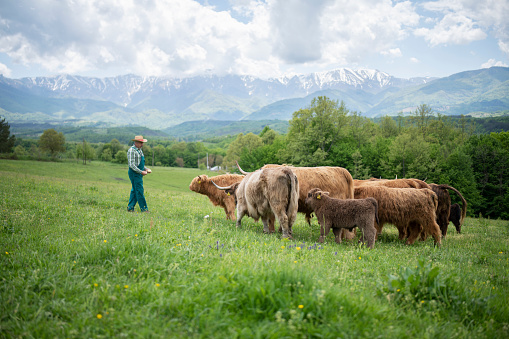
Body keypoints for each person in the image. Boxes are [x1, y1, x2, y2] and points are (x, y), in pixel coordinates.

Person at [127, 135, 152, 212]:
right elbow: (132, 165)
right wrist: (141, 171)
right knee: (139, 190)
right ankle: (144, 209)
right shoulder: (132, 151)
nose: (142, 144)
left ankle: (130, 207)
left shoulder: (139, 150)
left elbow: (139, 163)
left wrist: (146, 168)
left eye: (142, 143)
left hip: (138, 173)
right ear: (136, 142)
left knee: (135, 190)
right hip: (134, 173)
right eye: (141, 143)